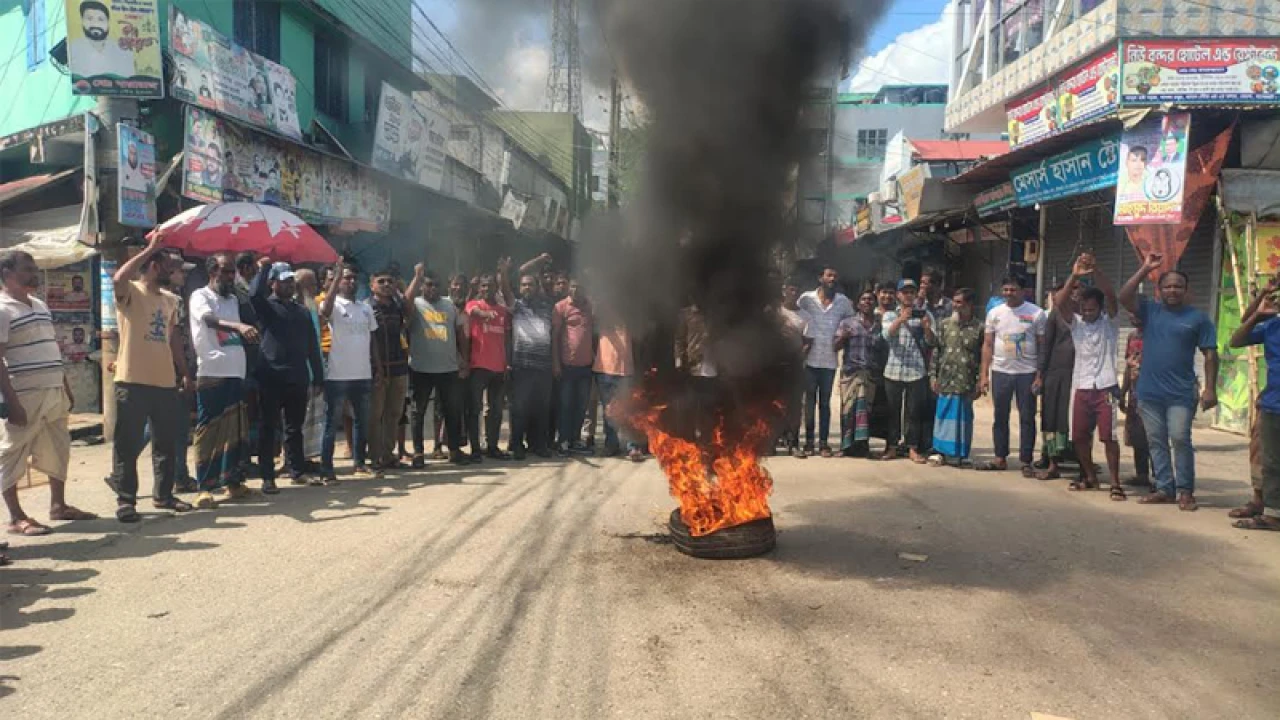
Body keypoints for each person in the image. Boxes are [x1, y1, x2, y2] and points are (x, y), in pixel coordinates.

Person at [0, 250, 96, 537]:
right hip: (24, 394)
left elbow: (52, 348)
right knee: (11, 453)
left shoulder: (40, 305)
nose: (33, 273)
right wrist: (12, 402)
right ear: (7, 273)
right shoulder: (2, 309)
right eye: (27, 269)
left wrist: (65, 385)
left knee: (58, 447)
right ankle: (16, 517)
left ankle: (59, 506)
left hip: (53, 390)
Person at [1119, 252, 1219, 511]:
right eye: (1168, 286)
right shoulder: (1150, 312)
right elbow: (1124, 297)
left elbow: (1210, 354)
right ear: (1159, 290)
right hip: (1149, 392)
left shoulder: (1198, 319)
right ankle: (1165, 487)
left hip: (1181, 393)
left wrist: (1210, 388)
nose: (1172, 290)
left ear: (1186, 290)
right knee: (1156, 441)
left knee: (1180, 438)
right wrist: (1145, 267)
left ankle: (1185, 490)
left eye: (1178, 286)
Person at [108, 236, 192, 521]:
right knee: (127, 443)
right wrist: (151, 249)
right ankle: (126, 500)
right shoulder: (130, 292)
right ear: (155, 266)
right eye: (169, 267)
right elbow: (119, 277)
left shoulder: (171, 300)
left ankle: (164, 495)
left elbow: (173, 340)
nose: (173, 272)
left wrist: (184, 373)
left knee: (165, 442)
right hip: (131, 380)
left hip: (164, 382)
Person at [188, 254, 260, 508]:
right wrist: (238, 327)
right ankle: (204, 487)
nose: (230, 277)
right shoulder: (201, 296)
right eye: (226, 272)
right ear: (212, 272)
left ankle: (233, 482)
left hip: (235, 370)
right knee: (209, 429)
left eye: (233, 273)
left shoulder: (233, 298)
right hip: (212, 370)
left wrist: (243, 295)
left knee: (235, 429)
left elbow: (251, 318)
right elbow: (209, 321)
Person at [250, 259, 325, 492]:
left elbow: (313, 345)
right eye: (283, 281)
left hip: (298, 376)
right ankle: (267, 477)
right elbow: (253, 294)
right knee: (268, 427)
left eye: (291, 281)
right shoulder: (266, 307)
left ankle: (297, 470)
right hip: (271, 376)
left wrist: (319, 376)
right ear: (273, 283)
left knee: (295, 427)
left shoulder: (301, 310)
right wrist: (262, 268)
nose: (289, 285)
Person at [1055, 254, 1124, 498]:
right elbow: (1059, 302)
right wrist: (1074, 275)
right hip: (1081, 386)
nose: (1087, 312)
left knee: (1109, 437)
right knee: (1080, 437)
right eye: (1083, 308)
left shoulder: (1110, 324)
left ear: (1100, 308)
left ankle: (1115, 482)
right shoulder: (1077, 325)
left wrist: (1096, 271)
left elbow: (1113, 296)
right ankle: (1091, 477)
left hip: (1105, 387)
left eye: (1092, 309)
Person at [978, 275, 1047, 474]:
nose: (1009, 293)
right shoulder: (994, 313)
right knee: (1000, 416)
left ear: (1023, 291)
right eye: (1006, 289)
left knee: (1027, 417)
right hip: (1000, 372)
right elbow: (988, 344)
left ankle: (1026, 460)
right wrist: (984, 374)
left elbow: (1043, 346)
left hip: (1027, 373)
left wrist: (1039, 375)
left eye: (1013, 289)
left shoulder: (1036, 313)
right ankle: (1000, 457)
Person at [1226, 276, 1280, 529]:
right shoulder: (1271, 324)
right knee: (1267, 460)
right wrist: (1259, 310)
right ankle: (1268, 509)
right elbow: (1237, 339)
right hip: (1273, 403)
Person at [319, 263, 378, 482]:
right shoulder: (333, 305)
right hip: (337, 376)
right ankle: (327, 469)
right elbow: (324, 313)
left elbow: (373, 340)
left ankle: (360, 463)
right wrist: (334, 280)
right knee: (331, 424)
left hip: (363, 374)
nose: (351, 282)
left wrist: (377, 366)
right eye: (347, 278)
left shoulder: (365, 308)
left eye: (354, 278)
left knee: (362, 421)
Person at [405, 264, 469, 467]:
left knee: (452, 410)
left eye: (436, 286)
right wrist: (416, 276)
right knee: (418, 411)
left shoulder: (450, 305)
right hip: (421, 368)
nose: (432, 289)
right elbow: (404, 302)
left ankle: (454, 450)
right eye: (429, 285)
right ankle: (418, 453)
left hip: (448, 368)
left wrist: (464, 360)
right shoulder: (414, 304)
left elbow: (460, 334)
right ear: (422, 287)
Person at [798, 266, 854, 457]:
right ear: (820, 277)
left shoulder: (843, 302)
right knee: (809, 402)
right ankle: (808, 443)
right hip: (810, 360)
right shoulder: (806, 299)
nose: (832, 278)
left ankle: (823, 444)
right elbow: (796, 316)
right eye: (829, 275)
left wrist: (843, 336)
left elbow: (851, 322)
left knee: (825, 403)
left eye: (835, 276)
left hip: (830, 361)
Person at [880, 279, 936, 463]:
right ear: (898, 295)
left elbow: (932, 342)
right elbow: (887, 335)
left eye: (912, 292)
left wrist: (927, 328)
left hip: (916, 370)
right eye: (905, 292)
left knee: (914, 411)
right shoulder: (889, 315)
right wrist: (901, 319)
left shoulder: (925, 314)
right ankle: (892, 446)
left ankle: (912, 447)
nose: (908, 295)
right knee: (892, 411)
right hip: (893, 369)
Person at [928, 288, 984, 467]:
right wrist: (932, 376)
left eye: (959, 302)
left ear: (969, 305)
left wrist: (980, 381)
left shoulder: (979, 328)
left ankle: (961, 454)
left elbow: (983, 357)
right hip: (945, 379)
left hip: (966, 381)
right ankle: (940, 452)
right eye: (954, 301)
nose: (955, 305)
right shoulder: (944, 324)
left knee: (963, 418)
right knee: (943, 415)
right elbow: (937, 352)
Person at [509, 273, 557, 459]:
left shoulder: (547, 307)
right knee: (520, 408)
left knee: (542, 408)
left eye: (530, 285)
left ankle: (539, 445)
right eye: (524, 285)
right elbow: (505, 289)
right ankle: (518, 444)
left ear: (537, 288)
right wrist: (505, 272)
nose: (527, 288)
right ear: (520, 288)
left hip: (543, 367)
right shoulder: (517, 306)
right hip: (522, 366)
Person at [466, 272, 511, 461]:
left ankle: (492, 446)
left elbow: (507, 338)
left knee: (496, 410)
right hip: (478, 367)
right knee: (474, 409)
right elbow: (475, 313)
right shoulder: (474, 305)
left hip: (499, 367)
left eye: (490, 285)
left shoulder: (503, 311)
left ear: (496, 288)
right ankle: (476, 449)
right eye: (483, 286)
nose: (486, 289)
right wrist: (486, 314)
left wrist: (507, 363)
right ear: (479, 289)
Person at [368, 268, 410, 470]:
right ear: (372, 285)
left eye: (390, 282)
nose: (386, 285)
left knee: (394, 413)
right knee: (376, 415)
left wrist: (407, 287)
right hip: (377, 369)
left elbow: (410, 313)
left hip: (399, 368)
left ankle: (388, 454)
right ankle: (374, 456)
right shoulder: (368, 308)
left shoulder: (399, 307)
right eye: (381, 281)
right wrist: (376, 369)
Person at [1035, 283, 1076, 481]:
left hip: (1078, 375)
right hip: (1054, 372)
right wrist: (1040, 374)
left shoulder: (1086, 316)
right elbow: (1046, 346)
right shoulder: (1054, 316)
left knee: (1073, 417)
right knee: (1051, 416)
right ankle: (1052, 463)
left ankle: (1080, 461)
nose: (1074, 293)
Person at [834, 291, 879, 458]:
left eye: (870, 300)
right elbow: (835, 346)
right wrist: (843, 337)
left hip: (870, 374)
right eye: (864, 299)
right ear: (858, 304)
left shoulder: (879, 325)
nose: (867, 302)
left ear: (875, 304)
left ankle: (862, 446)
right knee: (848, 410)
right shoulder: (847, 323)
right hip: (851, 373)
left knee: (865, 411)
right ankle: (845, 446)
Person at [553, 276, 595, 455]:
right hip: (567, 366)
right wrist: (556, 363)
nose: (576, 291)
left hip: (586, 366)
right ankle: (562, 440)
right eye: (573, 287)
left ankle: (575, 439)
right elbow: (554, 337)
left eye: (580, 287)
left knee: (581, 405)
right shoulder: (561, 307)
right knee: (566, 405)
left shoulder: (589, 306)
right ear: (569, 288)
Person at [594, 315, 642, 461]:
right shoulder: (600, 314)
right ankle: (611, 444)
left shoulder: (630, 312)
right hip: (604, 369)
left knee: (629, 410)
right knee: (609, 410)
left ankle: (632, 446)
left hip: (625, 370)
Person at [294, 268, 326, 466]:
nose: (316, 287)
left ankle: (306, 457)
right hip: (299, 371)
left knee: (313, 418)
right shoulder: (294, 306)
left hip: (315, 368)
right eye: (312, 283)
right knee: (298, 418)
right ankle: (293, 459)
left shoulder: (312, 305)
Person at [778, 279, 811, 457]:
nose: (794, 293)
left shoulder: (805, 316)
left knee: (794, 406)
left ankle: (793, 443)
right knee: (774, 405)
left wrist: (798, 356)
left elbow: (808, 342)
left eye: (797, 290)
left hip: (795, 366)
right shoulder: (774, 312)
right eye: (791, 289)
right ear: (784, 290)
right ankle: (771, 442)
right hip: (774, 366)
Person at [1119, 314, 1150, 489]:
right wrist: (1123, 393)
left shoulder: (1155, 335)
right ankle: (1142, 474)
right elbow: (1128, 365)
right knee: (1137, 436)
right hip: (1134, 392)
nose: (1133, 317)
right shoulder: (1132, 336)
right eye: (1130, 313)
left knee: (1152, 436)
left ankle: (1161, 477)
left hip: (1151, 391)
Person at [69, 1, 136, 79]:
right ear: (82, 21)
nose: (95, 24)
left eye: (101, 19)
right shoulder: (72, 49)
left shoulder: (124, 51)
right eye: (89, 19)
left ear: (108, 23)